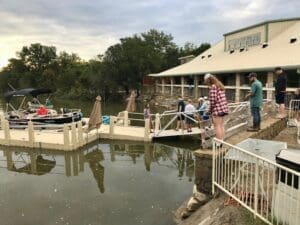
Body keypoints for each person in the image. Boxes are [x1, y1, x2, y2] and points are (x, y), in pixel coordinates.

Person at [204, 73, 228, 143]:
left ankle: (219, 142)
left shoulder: (213, 87)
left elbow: (213, 101)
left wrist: (209, 110)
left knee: (217, 126)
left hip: (217, 110)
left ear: (208, 80)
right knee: (221, 125)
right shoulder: (219, 85)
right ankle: (222, 140)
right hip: (223, 108)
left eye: (206, 81)